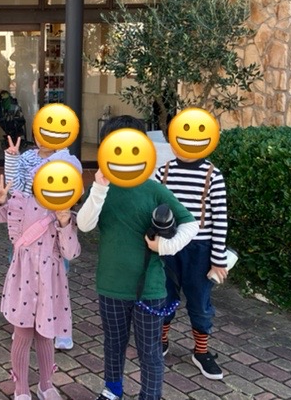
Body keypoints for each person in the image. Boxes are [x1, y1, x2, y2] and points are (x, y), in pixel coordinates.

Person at [77, 115, 199, 400]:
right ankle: (112, 389)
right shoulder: (101, 189)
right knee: (114, 343)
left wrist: (164, 246)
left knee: (150, 350)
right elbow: (84, 224)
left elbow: (190, 224)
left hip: (150, 288)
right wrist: (99, 188)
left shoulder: (153, 188)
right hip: (111, 284)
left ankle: (150, 395)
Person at [0, 171, 80, 400]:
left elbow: (71, 253)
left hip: (50, 283)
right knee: (22, 334)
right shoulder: (20, 203)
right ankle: (21, 388)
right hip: (23, 279)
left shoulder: (64, 210)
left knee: (46, 335)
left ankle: (46, 385)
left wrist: (65, 223)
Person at [156, 143, 229, 379]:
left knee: (200, 301)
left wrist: (218, 260)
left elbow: (220, 219)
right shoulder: (163, 172)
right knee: (164, 295)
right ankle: (161, 340)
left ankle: (201, 351)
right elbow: (152, 207)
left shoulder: (213, 175)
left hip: (200, 250)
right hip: (168, 246)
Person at [3, 135, 79, 350]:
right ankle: (23, 323)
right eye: (40, 134)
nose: (44, 139)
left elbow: (75, 185)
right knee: (25, 281)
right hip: (28, 222)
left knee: (55, 284)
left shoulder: (67, 159)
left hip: (55, 220)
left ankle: (60, 329)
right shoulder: (27, 157)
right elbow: (15, 185)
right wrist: (12, 158)